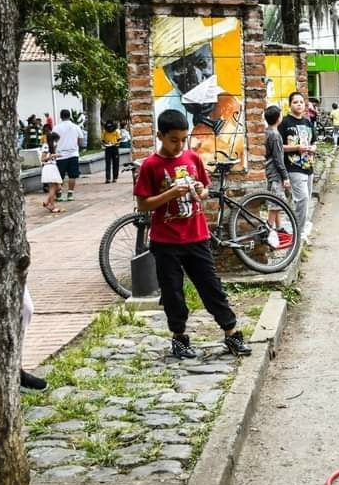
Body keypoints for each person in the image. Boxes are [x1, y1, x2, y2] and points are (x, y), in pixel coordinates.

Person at [134, 109, 253, 361]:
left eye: (183, 139)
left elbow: (205, 189)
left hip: (196, 236)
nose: (179, 144)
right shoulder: (151, 166)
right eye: (173, 139)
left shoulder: (192, 158)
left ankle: (231, 332)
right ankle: (179, 337)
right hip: (165, 241)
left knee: (211, 287)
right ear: (160, 136)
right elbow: (143, 204)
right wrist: (169, 195)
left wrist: (201, 189)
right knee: (173, 292)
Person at [279, 92, 316, 237]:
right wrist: (296, 148)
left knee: (305, 201)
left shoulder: (307, 122)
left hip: (308, 166)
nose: (299, 104)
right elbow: (279, 146)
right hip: (293, 166)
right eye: (295, 102)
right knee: (303, 199)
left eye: (301, 102)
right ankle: (298, 233)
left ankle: (300, 227)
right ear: (290, 105)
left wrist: (313, 148)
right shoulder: (285, 123)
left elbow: (314, 141)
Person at [263, 105, 293, 250]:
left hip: (271, 171)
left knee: (277, 201)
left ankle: (279, 228)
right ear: (278, 117)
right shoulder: (274, 135)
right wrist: (285, 176)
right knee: (276, 202)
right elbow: (278, 158)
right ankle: (268, 229)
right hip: (275, 172)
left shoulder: (268, 132)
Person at [52, 108, 85, 201]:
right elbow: (81, 141)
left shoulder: (56, 128)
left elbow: (53, 142)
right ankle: (70, 194)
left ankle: (59, 194)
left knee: (59, 176)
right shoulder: (76, 127)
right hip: (73, 154)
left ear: (61, 116)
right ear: (69, 116)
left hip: (60, 155)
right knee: (72, 175)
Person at [39, 131, 63, 213]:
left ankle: (47, 202)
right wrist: (51, 156)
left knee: (58, 187)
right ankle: (52, 205)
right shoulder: (46, 146)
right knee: (53, 187)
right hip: (49, 167)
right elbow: (42, 159)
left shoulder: (53, 147)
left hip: (53, 166)